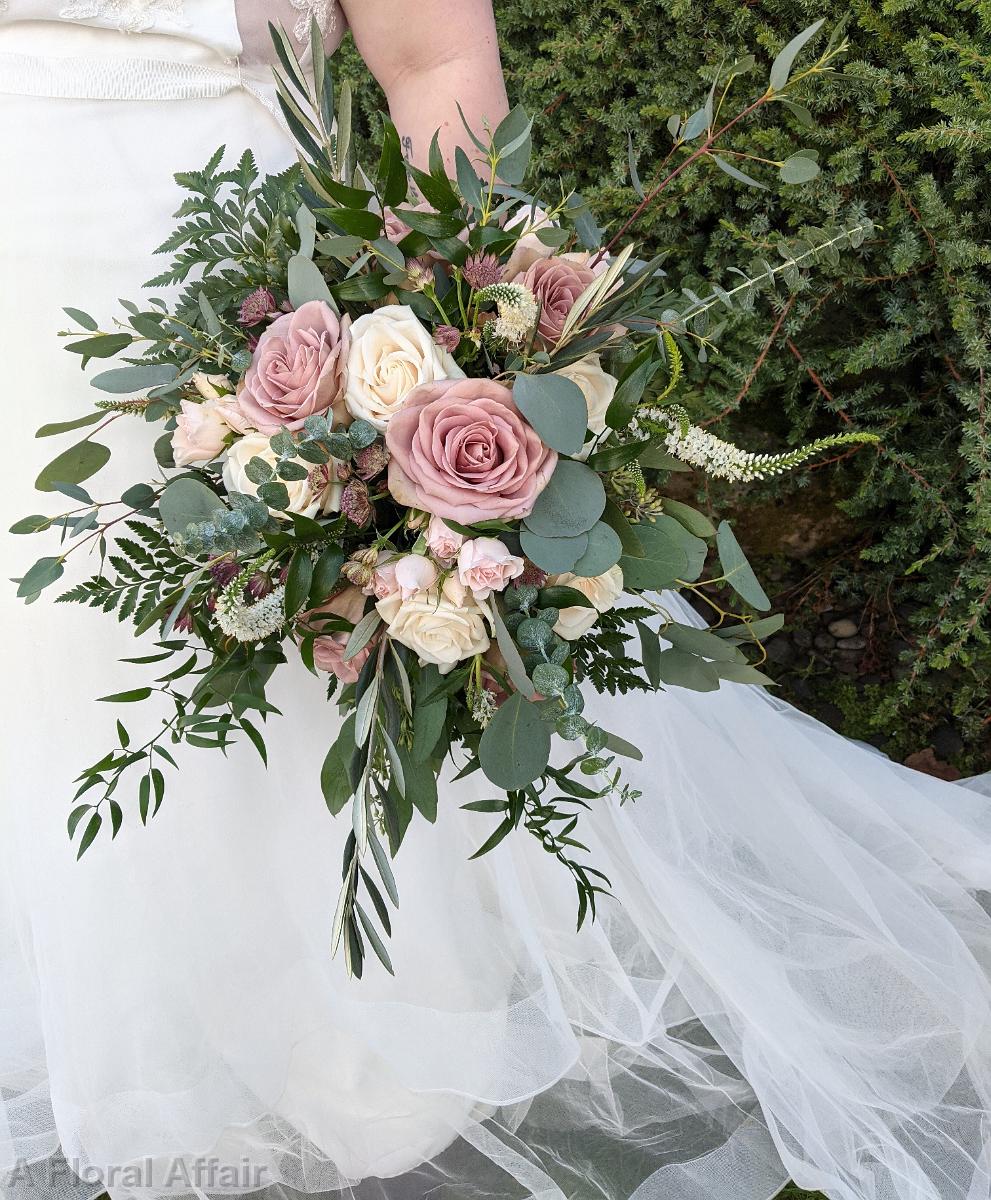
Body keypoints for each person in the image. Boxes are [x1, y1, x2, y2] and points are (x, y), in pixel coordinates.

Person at [1, 5, 990, 1200]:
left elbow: (432, 59)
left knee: (269, 667)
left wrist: (460, 341)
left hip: (209, 297)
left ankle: (320, 1050)